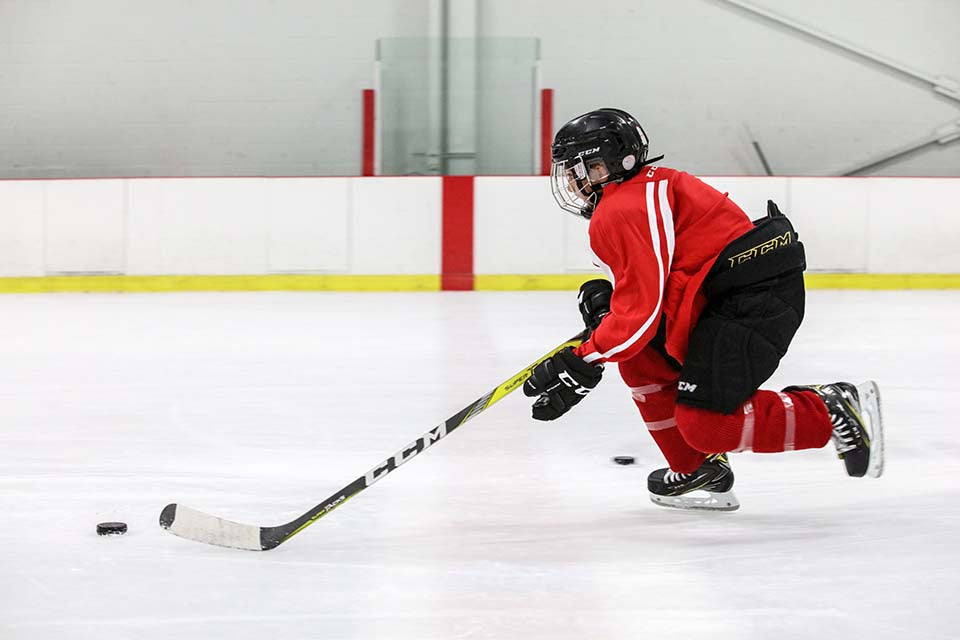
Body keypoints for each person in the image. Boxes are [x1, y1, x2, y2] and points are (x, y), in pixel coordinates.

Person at [523, 108, 884, 511]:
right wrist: (611, 309)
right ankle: (696, 469)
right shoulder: (635, 193)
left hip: (753, 297)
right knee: (640, 359)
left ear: (610, 162)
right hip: (724, 292)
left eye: (581, 168)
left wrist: (584, 358)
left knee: (707, 425)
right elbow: (654, 290)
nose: (572, 181)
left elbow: (639, 316)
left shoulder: (624, 206)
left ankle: (827, 409)